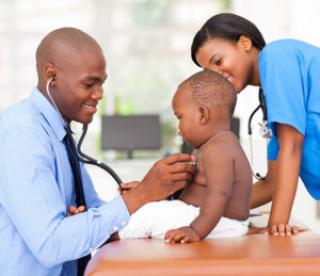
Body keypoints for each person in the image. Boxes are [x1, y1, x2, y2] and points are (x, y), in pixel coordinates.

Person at [0, 28, 195, 276]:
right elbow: (51, 245)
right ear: (52, 76)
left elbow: (96, 216)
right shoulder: (21, 135)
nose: (99, 94)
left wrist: (147, 199)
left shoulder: (60, 134)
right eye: (89, 84)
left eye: (101, 83)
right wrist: (141, 195)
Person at [191, 13, 320, 236]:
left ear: (245, 43)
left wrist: (276, 226)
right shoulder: (272, 100)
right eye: (209, 72)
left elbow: (292, 146)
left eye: (218, 61)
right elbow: (271, 183)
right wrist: (199, 207)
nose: (218, 75)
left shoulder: (276, 56)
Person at [101, 69, 252, 244]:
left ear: (202, 115)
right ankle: (105, 225)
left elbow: (219, 195)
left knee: (149, 216)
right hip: (207, 218)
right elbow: (196, 190)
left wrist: (195, 230)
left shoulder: (219, 150)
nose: (178, 128)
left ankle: (105, 235)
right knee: (148, 208)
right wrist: (148, 190)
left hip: (218, 223)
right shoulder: (212, 146)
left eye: (180, 117)